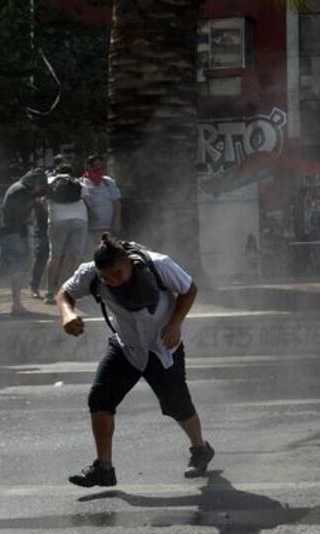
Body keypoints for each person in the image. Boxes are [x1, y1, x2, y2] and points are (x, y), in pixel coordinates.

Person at [56, 234, 213, 487]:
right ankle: (104, 468)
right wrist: (67, 313)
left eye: (117, 273)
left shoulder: (158, 264)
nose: (112, 281)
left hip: (163, 346)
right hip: (125, 345)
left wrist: (175, 323)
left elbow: (189, 289)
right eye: (107, 277)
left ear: (128, 262)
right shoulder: (91, 274)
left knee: (177, 405)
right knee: (100, 398)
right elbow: (65, 293)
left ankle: (200, 448)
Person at [0, 169, 46, 315]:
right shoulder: (21, 191)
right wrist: (36, 202)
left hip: (14, 233)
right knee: (17, 268)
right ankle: (17, 305)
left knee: (8, 268)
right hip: (13, 234)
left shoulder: (21, 189)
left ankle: (17, 305)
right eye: (40, 185)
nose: (41, 188)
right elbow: (19, 215)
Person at [45, 164, 89, 304]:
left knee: (55, 256)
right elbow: (87, 202)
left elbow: (42, 201)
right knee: (76, 257)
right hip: (79, 220)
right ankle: (74, 291)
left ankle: (50, 292)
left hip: (58, 221)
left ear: (57, 172)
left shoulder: (49, 181)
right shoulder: (79, 183)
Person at [80, 155, 122, 254]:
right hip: (88, 230)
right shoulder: (81, 183)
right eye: (96, 167)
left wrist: (117, 221)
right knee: (90, 255)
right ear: (88, 167)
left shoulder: (108, 182)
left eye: (101, 167)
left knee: (107, 255)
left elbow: (116, 202)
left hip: (107, 228)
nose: (99, 170)